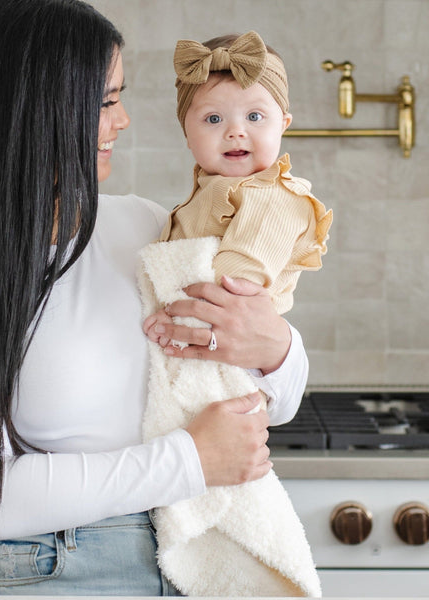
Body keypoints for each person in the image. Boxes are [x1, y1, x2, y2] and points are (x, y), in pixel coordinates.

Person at [0, 3, 308, 596]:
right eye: (103, 102)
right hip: (60, 573)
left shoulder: (148, 229)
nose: (121, 120)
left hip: (196, 556)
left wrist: (277, 348)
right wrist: (191, 461)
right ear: (32, 110)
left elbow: (264, 402)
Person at [137, 31, 330, 597]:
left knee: (222, 484)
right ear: (187, 131)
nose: (236, 130)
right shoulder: (194, 198)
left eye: (253, 114)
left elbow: (237, 284)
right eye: (213, 119)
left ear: (284, 121)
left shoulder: (276, 197)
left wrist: (172, 318)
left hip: (228, 360)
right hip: (194, 347)